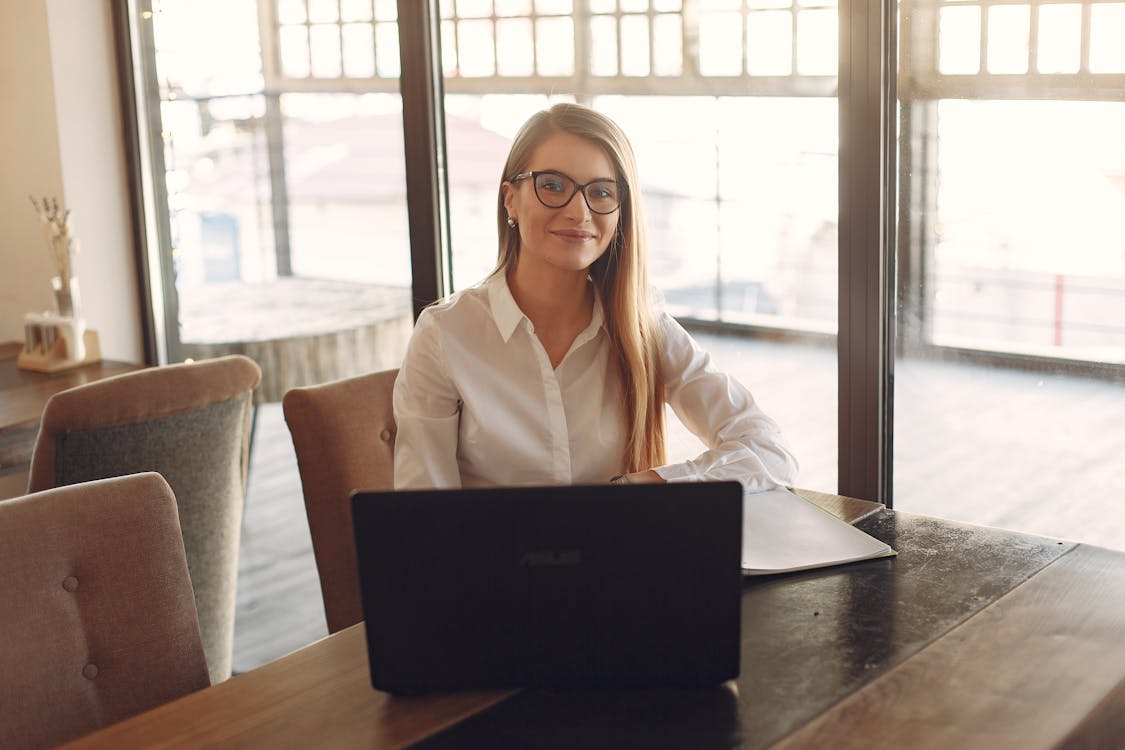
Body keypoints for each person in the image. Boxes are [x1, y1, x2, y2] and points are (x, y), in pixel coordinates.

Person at [393, 102, 798, 491]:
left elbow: (770, 451)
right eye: (552, 185)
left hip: (622, 559)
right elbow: (420, 516)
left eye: (601, 193)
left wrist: (648, 484)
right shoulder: (446, 333)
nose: (578, 212)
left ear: (621, 212)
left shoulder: (643, 328)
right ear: (510, 199)